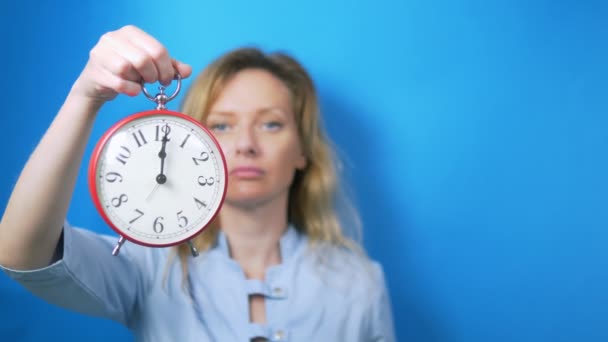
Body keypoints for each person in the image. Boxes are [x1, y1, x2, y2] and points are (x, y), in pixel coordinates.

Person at [0, 25, 395, 341]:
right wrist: (86, 95)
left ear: (302, 150)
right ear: (195, 147)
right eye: (222, 125)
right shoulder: (149, 265)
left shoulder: (360, 283)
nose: (246, 145)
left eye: (271, 123)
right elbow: (20, 252)